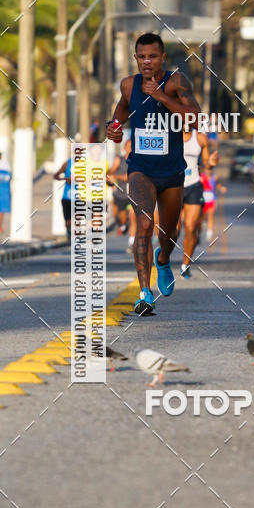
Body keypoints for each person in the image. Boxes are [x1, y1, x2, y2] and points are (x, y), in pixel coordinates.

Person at [106, 32, 205, 316]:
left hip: (172, 170)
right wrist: (113, 130)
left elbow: (195, 118)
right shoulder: (128, 85)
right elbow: (118, 118)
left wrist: (161, 96)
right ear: (135, 58)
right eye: (141, 56)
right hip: (141, 168)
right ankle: (145, 293)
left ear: (163, 57)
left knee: (169, 233)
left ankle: (163, 259)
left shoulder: (177, 82)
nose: (146, 62)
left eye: (152, 56)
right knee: (145, 224)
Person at [179, 128, 216, 278]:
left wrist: (211, 163)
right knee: (173, 231)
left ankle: (185, 264)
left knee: (190, 227)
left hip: (194, 185)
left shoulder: (200, 138)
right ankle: (164, 260)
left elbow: (207, 164)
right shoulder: (170, 134)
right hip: (175, 186)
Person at [108, 139, 132, 236]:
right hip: (119, 193)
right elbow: (110, 173)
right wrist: (111, 178)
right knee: (119, 216)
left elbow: (128, 177)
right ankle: (123, 224)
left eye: (132, 147)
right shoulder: (119, 159)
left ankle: (132, 239)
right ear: (124, 148)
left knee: (133, 216)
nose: (130, 149)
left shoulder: (137, 160)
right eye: (128, 146)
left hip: (132, 194)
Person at [53, 157, 72, 238]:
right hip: (67, 197)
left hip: (81, 197)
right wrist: (65, 179)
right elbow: (56, 176)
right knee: (68, 222)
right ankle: (69, 232)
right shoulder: (67, 163)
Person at [0, 152, 11, 235]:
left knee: (1, 210)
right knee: (1, 210)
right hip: (4, 189)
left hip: (3, 189)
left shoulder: (5, 164)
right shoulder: (6, 165)